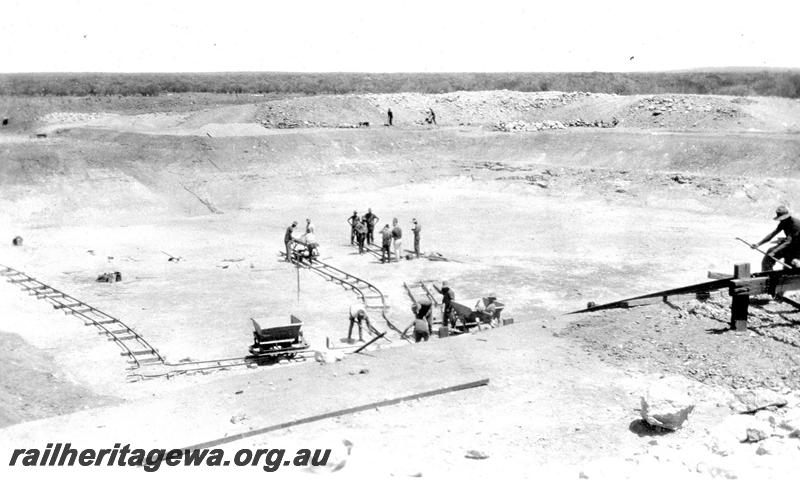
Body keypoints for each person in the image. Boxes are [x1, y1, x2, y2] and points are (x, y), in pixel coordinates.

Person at [751, 205, 800, 271]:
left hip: (797, 248)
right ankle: (767, 274)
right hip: (791, 244)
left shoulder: (795, 225)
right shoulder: (784, 222)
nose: (781, 221)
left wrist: (774, 252)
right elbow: (772, 234)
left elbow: (788, 242)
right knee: (769, 255)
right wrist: (758, 244)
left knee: (791, 265)